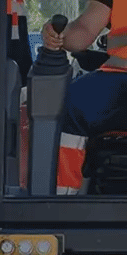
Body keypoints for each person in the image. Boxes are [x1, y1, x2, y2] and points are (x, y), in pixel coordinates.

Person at [42, 1, 124, 194]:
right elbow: (85, 28)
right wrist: (59, 36)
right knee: (71, 102)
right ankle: (62, 198)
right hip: (120, 75)